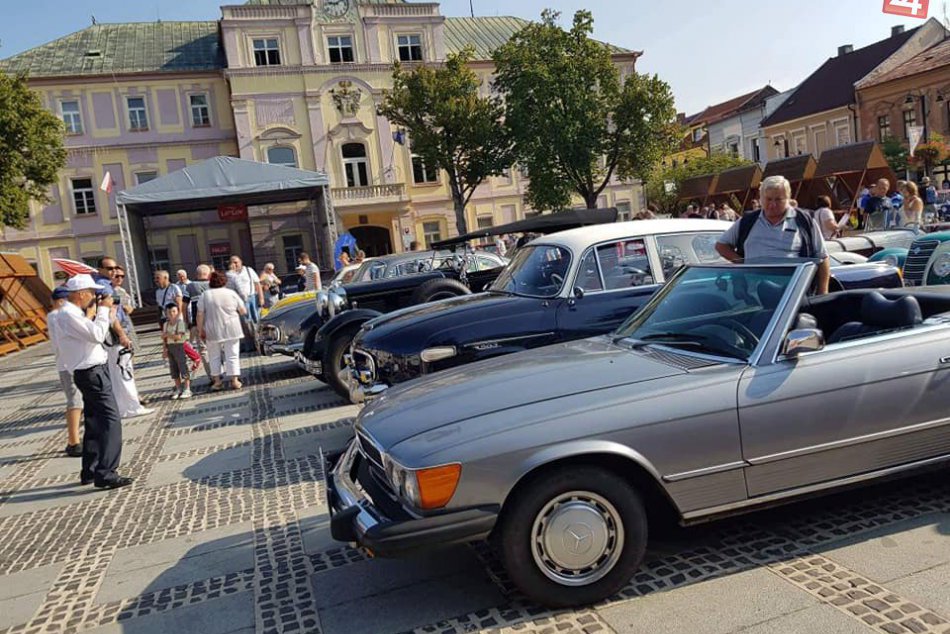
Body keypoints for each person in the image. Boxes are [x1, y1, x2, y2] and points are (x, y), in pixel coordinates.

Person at [56, 274, 132, 489]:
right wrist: (103, 310)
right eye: (92, 293)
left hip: (88, 372)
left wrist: (100, 312)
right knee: (110, 420)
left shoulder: (71, 313)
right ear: (81, 294)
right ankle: (106, 472)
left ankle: (91, 469)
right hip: (91, 372)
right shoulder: (69, 314)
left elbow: (89, 334)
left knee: (94, 421)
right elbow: (98, 335)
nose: (94, 297)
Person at [715, 175, 830, 294]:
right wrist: (743, 264)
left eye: (778, 199)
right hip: (752, 296)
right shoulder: (748, 221)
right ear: (761, 199)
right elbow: (721, 246)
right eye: (768, 199)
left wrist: (823, 293)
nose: (772, 204)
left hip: (792, 295)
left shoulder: (803, 220)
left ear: (788, 198)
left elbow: (822, 257)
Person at [99, 257, 152, 419]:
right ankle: (132, 406)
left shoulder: (108, 287)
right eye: (110, 269)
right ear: (100, 270)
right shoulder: (104, 287)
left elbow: (127, 309)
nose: (114, 272)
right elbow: (111, 316)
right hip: (115, 335)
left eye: (115, 269)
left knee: (120, 371)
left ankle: (124, 405)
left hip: (118, 332)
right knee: (123, 371)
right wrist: (121, 334)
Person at [46, 286, 83, 457]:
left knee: (76, 400)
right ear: (61, 301)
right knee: (75, 400)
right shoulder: (56, 316)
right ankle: (73, 442)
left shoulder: (56, 315)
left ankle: (74, 440)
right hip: (68, 363)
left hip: (69, 362)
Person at [198, 270, 248, 391]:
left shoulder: (205, 295)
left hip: (212, 329)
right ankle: (234, 381)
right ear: (224, 281)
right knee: (232, 354)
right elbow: (243, 311)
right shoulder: (231, 293)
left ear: (210, 282)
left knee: (214, 356)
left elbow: (200, 314)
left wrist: (201, 330)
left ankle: (217, 382)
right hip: (232, 328)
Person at [185, 265, 213, 384]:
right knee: (217, 347)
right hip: (214, 321)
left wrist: (187, 321)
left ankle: (212, 376)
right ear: (208, 274)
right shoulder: (213, 284)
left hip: (198, 322)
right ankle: (219, 371)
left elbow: (184, 305)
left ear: (197, 275)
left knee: (204, 350)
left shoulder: (190, 286)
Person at [161, 303, 192, 399]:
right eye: (169, 312)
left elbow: (179, 337)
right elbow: (164, 339)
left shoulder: (180, 323)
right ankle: (178, 388)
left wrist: (167, 335)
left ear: (178, 312)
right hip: (170, 347)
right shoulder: (165, 324)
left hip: (179, 347)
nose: (172, 314)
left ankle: (187, 388)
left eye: (174, 311)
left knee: (183, 367)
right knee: (174, 369)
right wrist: (164, 349)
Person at [226, 255, 263, 324]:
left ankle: (257, 332)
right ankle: (249, 333)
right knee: (246, 319)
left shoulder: (248, 270)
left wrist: (261, 298)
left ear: (241, 262)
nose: (235, 264)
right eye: (232, 263)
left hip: (252, 297)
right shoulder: (230, 275)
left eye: (236, 262)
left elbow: (257, 284)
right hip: (239, 299)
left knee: (256, 317)